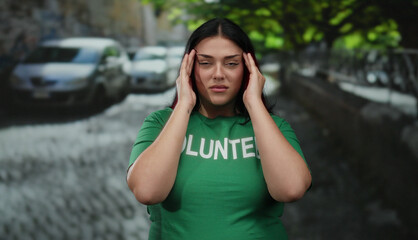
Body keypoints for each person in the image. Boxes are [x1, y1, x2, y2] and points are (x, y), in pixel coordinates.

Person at [126, 18, 312, 239]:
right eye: (205, 63)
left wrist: (254, 103)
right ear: (189, 68)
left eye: (231, 63)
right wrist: (184, 103)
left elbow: (291, 189)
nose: (218, 74)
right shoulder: (159, 124)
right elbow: (147, 191)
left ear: (248, 69)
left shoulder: (273, 127)